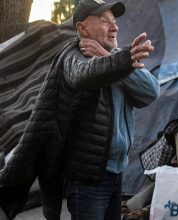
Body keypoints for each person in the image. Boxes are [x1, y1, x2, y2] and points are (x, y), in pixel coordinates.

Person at [0, 0, 160, 220]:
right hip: (88, 178)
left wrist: (110, 57)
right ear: (82, 29)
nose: (114, 27)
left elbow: (151, 91)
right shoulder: (72, 55)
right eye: (105, 22)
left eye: (114, 22)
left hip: (117, 172)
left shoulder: (119, 59)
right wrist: (118, 61)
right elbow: (82, 76)